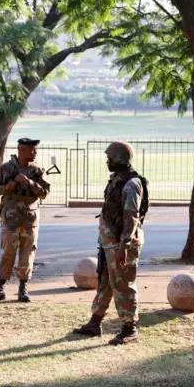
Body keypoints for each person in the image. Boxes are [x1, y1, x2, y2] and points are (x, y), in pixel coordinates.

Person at [73, 141, 145, 345]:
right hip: (110, 243)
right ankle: (95, 323)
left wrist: (124, 246)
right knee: (104, 283)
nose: (107, 161)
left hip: (122, 244)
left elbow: (131, 216)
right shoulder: (117, 180)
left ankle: (130, 328)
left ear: (120, 159)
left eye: (110, 158)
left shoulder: (132, 183)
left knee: (123, 285)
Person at [0, 138, 51, 303]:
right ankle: (0, 289)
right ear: (22, 150)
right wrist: (7, 187)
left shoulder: (37, 171)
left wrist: (29, 183)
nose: (35, 153)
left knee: (27, 255)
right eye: (32, 150)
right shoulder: (6, 169)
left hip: (29, 220)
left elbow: (45, 193)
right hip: (10, 220)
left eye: (35, 150)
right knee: (7, 254)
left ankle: (23, 288)